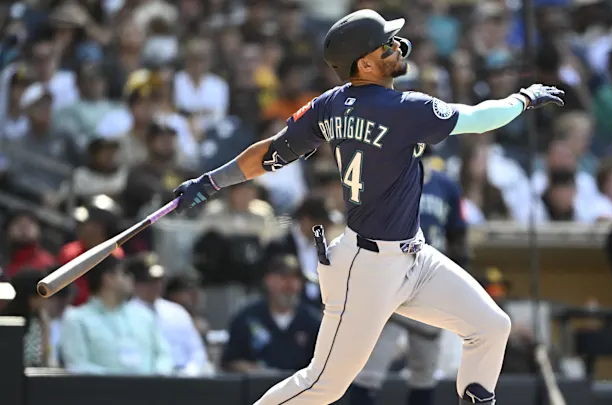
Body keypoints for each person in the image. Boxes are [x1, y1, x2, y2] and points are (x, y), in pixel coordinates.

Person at [172, 9, 564, 405]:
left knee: (491, 326)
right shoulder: (404, 107)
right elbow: (479, 119)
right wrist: (522, 99)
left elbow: (272, 153)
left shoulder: (329, 104)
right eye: (386, 44)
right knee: (323, 385)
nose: (397, 47)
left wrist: (212, 181)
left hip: (413, 257)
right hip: (366, 267)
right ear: (365, 63)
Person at [349, 148, 468, 405]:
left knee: (424, 372)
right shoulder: (385, 179)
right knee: (368, 370)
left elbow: (458, 237)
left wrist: (456, 282)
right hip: (391, 279)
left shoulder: (446, 186)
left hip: (430, 282)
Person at [59, 255, 173, 375]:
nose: (130, 279)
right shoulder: (77, 319)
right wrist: (120, 381)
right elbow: (78, 365)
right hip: (102, 387)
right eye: (124, 274)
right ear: (108, 278)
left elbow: (164, 354)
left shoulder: (144, 315)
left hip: (150, 386)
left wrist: (157, 377)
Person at [221, 254, 321, 373]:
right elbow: (230, 361)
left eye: (295, 279)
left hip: (301, 383)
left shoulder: (312, 321)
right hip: (260, 383)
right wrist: (255, 370)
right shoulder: (247, 319)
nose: (290, 285)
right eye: (284, 277)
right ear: (268, 280)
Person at [126, 253, 210, 375]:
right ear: (135, 283)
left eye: (159, 280)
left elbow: (197, 350)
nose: (156, 285)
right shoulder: (126, 314)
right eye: (149, 281)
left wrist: (190, 371)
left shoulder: (177, 312)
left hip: (184, 376)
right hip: (147, 377)